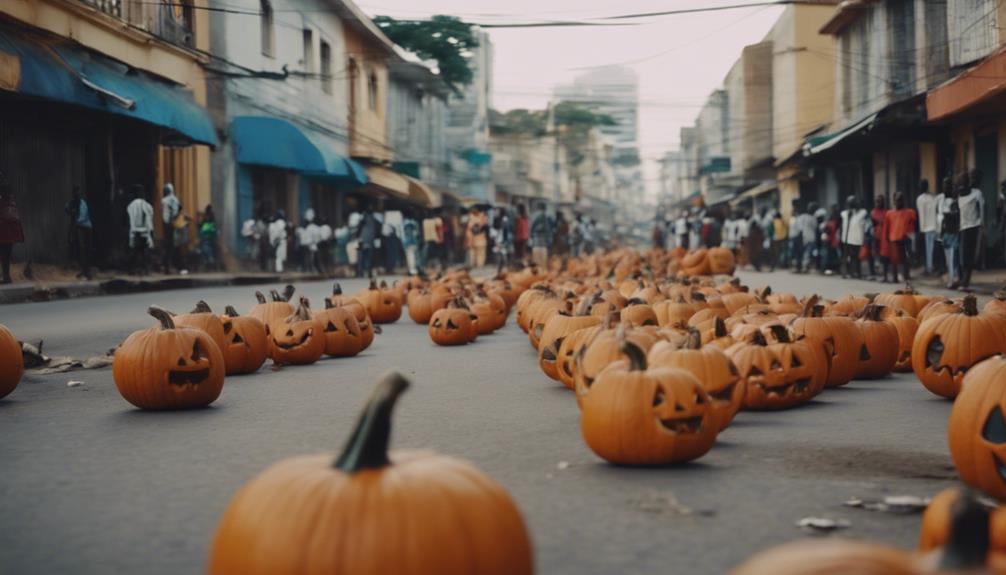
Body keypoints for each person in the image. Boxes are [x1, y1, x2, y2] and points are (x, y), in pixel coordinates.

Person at [959, 170, 985, 290]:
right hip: (962, 228)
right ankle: (962, 280)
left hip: (973, 227)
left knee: (969, 256)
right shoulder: (959, 194)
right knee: (963, 256)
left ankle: (966, 282)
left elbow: (982, 209)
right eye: (961, 179)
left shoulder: (976, 193)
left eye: (965, 178)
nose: (963, 181)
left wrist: (981, 225)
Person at [885, 192, 917, 283]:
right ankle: (895, 278)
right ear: (894, 201)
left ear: (904, 201)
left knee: (906, 258)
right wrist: (887, 238)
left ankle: (906, 276)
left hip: (906, 238)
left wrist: (910, 235)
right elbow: (887, 227)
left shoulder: (910, 212)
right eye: (897, 200)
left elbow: (914, 224)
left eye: (900, 200)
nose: (899, 202)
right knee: (894, 259)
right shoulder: (889, 213)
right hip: (894, 238)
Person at [64, 186, 93, 279]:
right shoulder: (74, 202)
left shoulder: (81, 203)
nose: (77, 194)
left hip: (83, 227)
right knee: (81, 250)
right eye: (76, 192)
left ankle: (86, 271)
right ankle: (85, 271)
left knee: (85, 250)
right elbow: (67, 210)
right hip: (82, 227)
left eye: (78, 192)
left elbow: (80, 216)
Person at [938, 176, 962, 289]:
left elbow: (956, 216)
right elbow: (940, 218)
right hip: (945, 232)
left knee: (954, 258)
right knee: (948, 259)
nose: (945, 187)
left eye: (948, 185)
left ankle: (955, 279)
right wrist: (941, 233)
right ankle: (951, 279)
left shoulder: (955, 200)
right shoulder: (940, 199)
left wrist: (948, 215)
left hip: (953, 232)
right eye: (944, 185)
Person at [126, 185, 154, 276]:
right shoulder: (146, 205)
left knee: (134, 252)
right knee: (144, 252)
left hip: (134, 232)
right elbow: (148, 220)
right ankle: (145, 270)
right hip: (144, 232)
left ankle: (133, 270)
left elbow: (129, 220)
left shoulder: (130, 206)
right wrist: (150, 233)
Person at [0, 179, 24, 284]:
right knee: (6, 256)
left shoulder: (4, 204)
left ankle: (6, 277)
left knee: (4, 256)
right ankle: (6, 277)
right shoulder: (12, 204)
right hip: (9, 236)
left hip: (3, 234)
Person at [840, 196, 868, 278]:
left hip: (857, 239)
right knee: (845, 256)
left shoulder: (862, 213)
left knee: (856, 257)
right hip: (846, 239)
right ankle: (845, 272)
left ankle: (856, 272)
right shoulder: (844, 214)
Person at [915, 179, 939, 276]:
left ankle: (930, 268)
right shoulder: (933, 197)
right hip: (931, 227)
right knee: (930, 249)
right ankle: (930, 267)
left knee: (929, 250)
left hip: (927, 227)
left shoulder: (920, 199)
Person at [869, 195, 891, 282]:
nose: (878, 203)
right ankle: (873, 274)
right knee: (874, 255)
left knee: (884, 256)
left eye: (880, 201)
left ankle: (884, 275)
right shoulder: (873, 212)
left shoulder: (887, 212)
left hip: (884, 237)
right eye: (877, 201)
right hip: (875, 236)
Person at [161, 183, 181, 273]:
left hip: (168, 224)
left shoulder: (164, 200)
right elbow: (178, 209)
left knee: (168, 245)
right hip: (174, 224)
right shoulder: (175, 199)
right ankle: (172, 265)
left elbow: (165, 215)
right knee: (173, 245)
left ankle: (167, 265)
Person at [355, 206, 379, 278]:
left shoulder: (363, 218)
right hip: (370, 240)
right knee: (369, 257)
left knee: (361, 257)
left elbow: (359, 228)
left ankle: (360, 272)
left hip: (363, 239)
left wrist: (357, 236)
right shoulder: (374, 219)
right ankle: (369, 272)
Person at [490, 207, 513, 273]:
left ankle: (501, 268)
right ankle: (503, 268)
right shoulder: (506, 219)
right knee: (503, 254)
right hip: (502, 239)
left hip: (499, 239)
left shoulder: (498, 219)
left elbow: (494, 231)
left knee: (501, 254)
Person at [530, 203, 552, 268]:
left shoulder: (534, 216)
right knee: (542, 260)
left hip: (536, 241)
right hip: (542, 242)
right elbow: (548, 230)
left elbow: (531, 228)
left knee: (537, 259)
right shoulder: (545, 217)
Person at [199, 205, 218, 271]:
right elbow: (214, 225)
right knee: (211, 249)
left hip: (205, 235)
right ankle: (210, 261)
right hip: (210, 235)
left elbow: (201, 224)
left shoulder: (205, 216)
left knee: (205, 249)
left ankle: (207, 262)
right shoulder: (212, 216)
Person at [402, 211, 421, 275]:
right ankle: (415, 269)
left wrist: (407, 243)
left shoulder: (407, 223)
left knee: (411, 256)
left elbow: (409, 234)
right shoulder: (414, 222)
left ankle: (412, 270)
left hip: (410, 242)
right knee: (415, 256)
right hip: (414, 241)